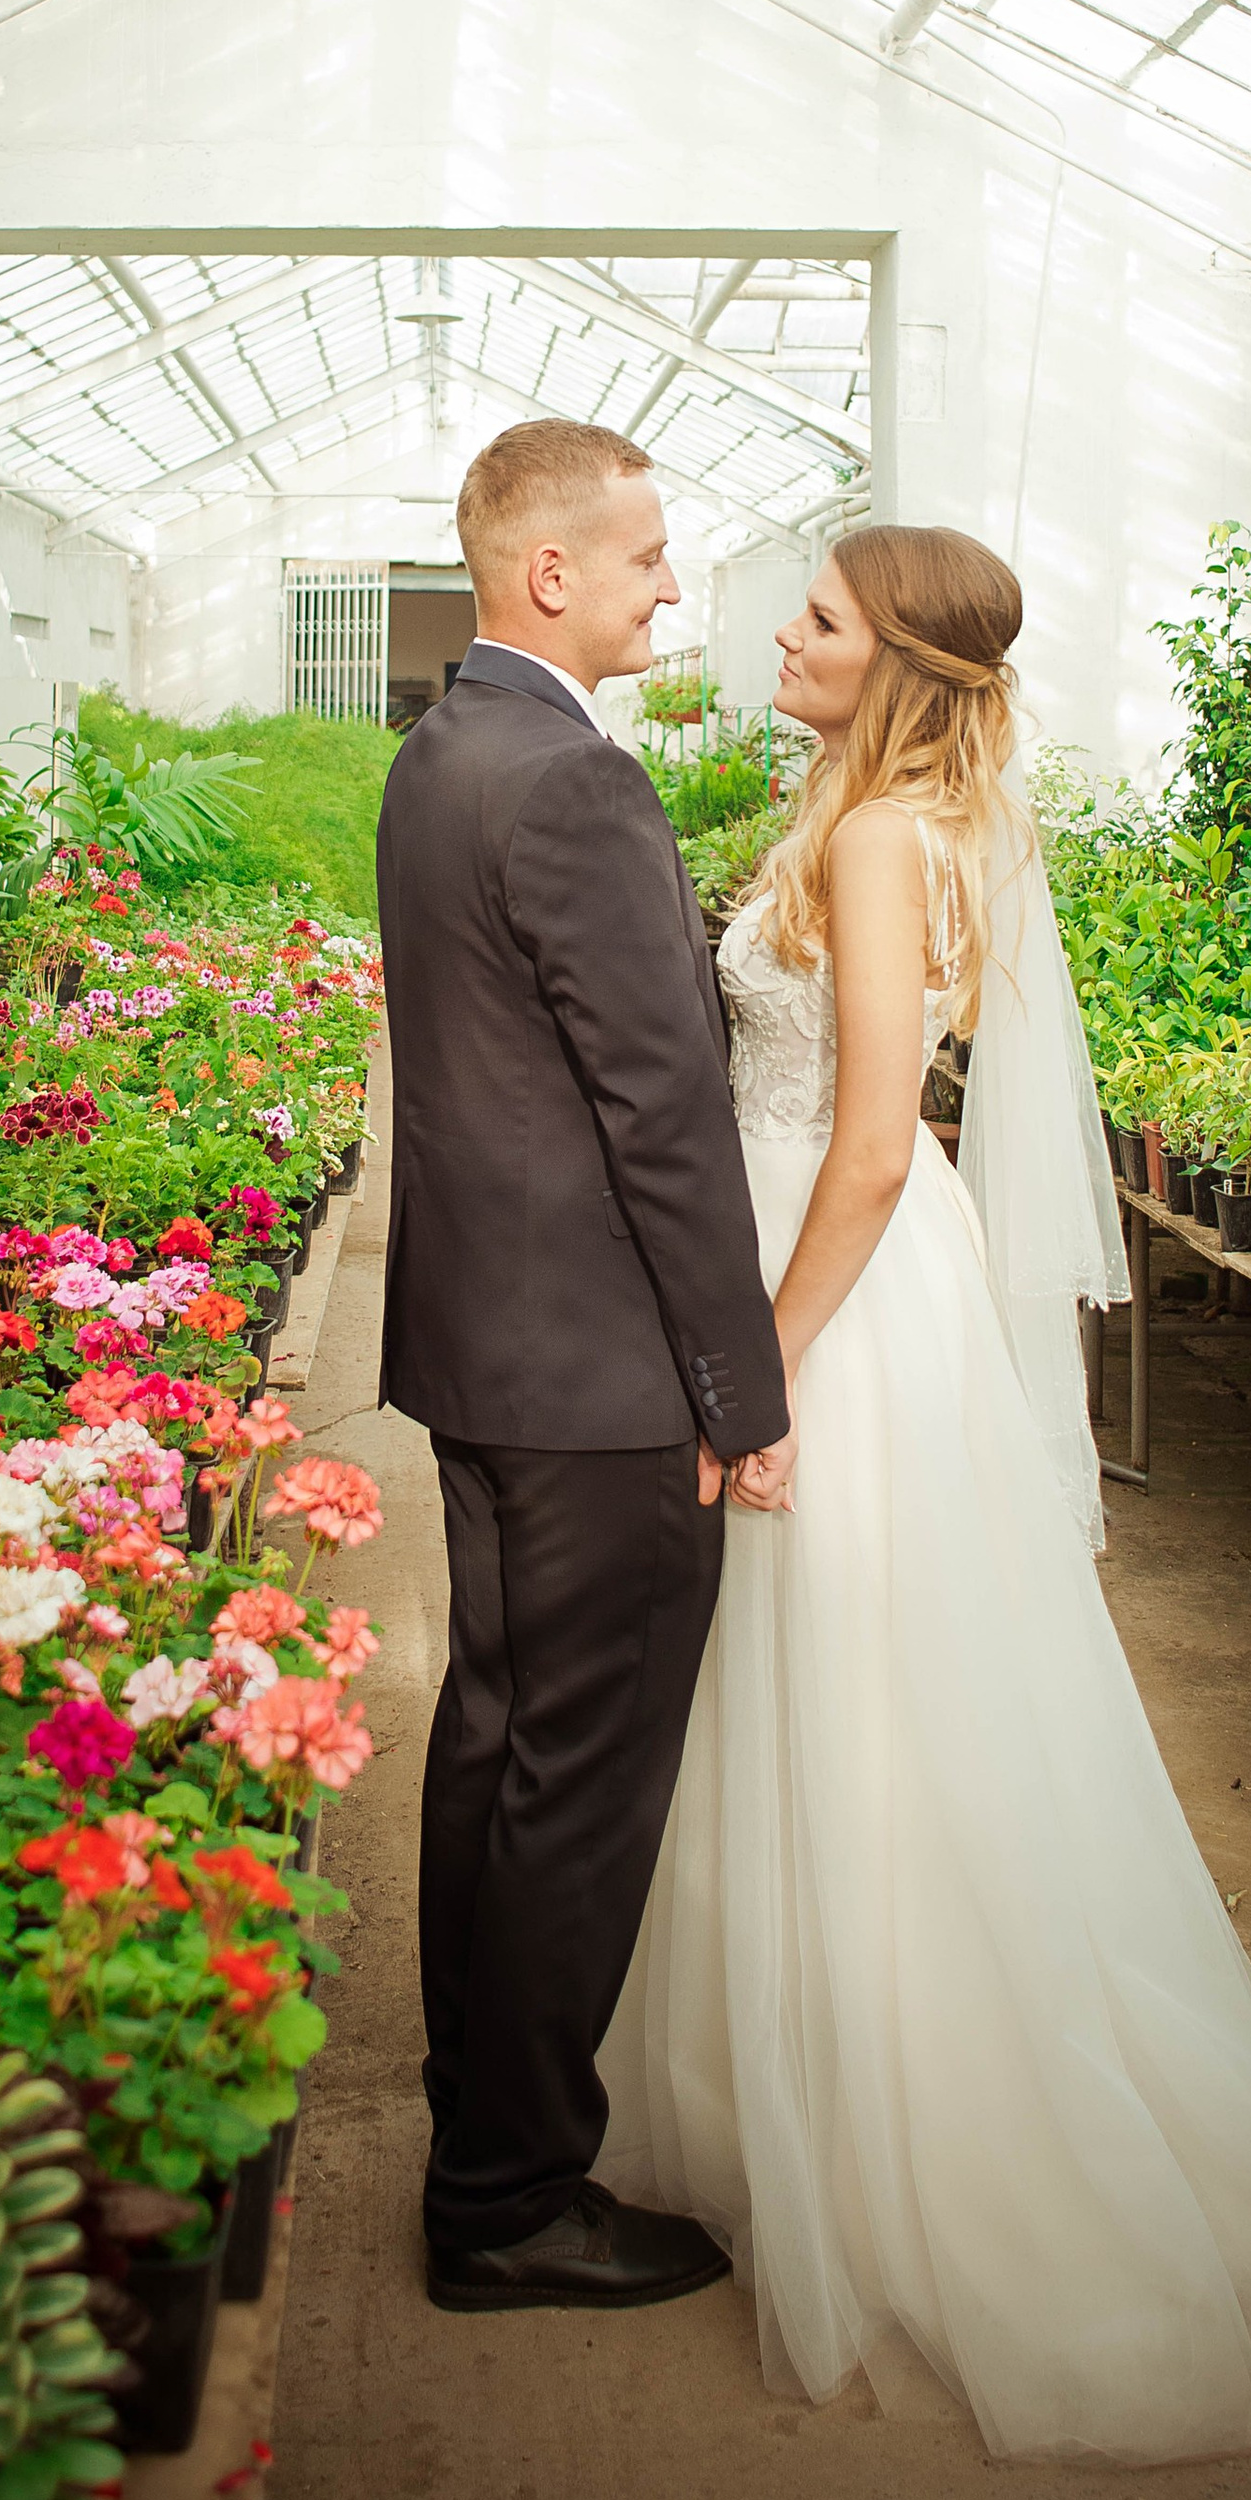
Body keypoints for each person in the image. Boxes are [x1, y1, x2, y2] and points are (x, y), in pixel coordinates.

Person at [598, 524, 1251, 2460]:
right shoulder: (861, 806)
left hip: (835, 1294)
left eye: (814, 615)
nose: (776, 631)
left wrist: (756, 1368)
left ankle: (915, 2139)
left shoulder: (886, 835)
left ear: (890, 656)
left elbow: (882, 1140)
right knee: (810, 1702)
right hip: (803, 1260)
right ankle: (787, 2094)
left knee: (861, 1711)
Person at [376, 417, 791, 2313]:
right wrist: (743, 1388)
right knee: (580, 1785)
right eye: (644, 558)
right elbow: (668, 1120)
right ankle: (512, 2202)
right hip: (602, 1377)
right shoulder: (575, 786)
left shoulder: (443, 753)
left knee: (497, 1749)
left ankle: (486, 2126)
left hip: (485, 1354)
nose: (671, 588)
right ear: (551, 573)